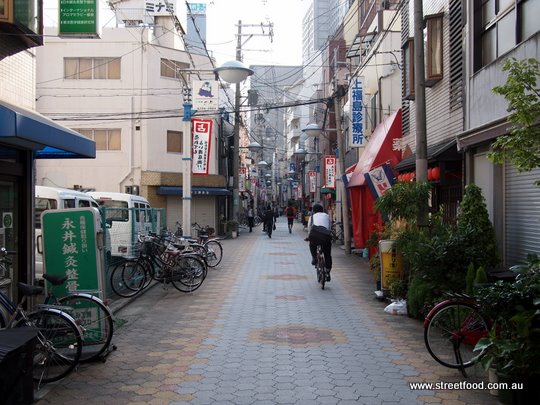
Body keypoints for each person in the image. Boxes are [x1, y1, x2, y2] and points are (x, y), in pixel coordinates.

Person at [307, 203, 332, 281]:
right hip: (326, 237)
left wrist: (309, 237)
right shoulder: (327, 216)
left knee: (311, 244)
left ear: (314, 211)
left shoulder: (312, 217)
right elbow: (329, 227)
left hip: (315, 236)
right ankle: (327, 272)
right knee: (327, 255)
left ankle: (314, 258)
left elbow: (309, 227)